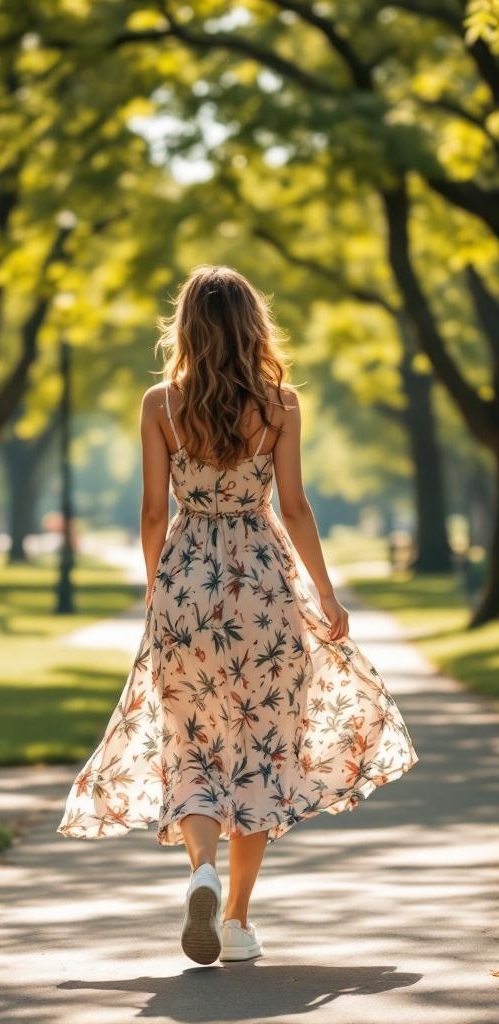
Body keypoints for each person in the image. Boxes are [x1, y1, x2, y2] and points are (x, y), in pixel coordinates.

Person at [57, 264, 419, 966]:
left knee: (191, 744)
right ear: (253, 325)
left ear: (186, 326)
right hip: (262, 587)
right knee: (256, 750)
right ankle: (237, 920)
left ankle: (199, 869)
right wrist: (328, 592)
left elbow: (153, 511)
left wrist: (158, 587)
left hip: (187, 587)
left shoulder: (161, 404)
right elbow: (296, 507)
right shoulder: (280, 405)